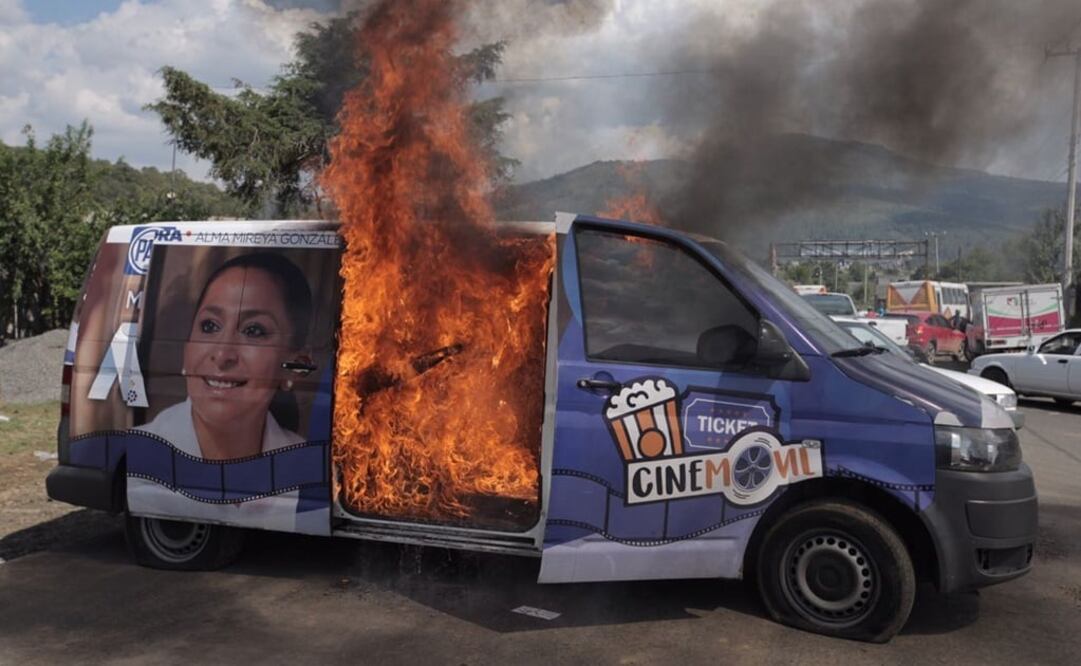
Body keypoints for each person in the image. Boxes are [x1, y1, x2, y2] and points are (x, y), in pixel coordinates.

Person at [136, 253, 314, 460]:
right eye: (209, 326)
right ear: (186, 349)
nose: (222, 355)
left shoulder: (313, 472)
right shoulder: (130, 461)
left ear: (295, 365)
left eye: (254, 331)